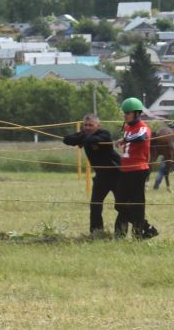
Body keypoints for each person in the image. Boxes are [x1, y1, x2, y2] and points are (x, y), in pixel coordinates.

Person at [62, 113, 121, 237]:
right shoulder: (85, 134)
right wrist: (82, 137)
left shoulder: (105, 134)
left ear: (98, 126)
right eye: (85, 125)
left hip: (117, 174)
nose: (87, 127)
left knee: (122, 206)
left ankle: (120, 234)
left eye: (91, 125)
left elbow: (96, 140)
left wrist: (82, 139)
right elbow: (66, 139)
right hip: (101, 177)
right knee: (95, 205)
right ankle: (96, 233)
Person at [115, 97, 157, 238]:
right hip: (124, 170)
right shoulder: (127, 127)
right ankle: (146, 227)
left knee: (137, 205)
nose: (125, 115)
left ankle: (138, 235)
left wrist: (125, 139)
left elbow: (141, 137)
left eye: (128, 113)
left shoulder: (143, 128)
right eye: (124, 113)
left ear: (137, 113)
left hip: (138, 171)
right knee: (120, 204)